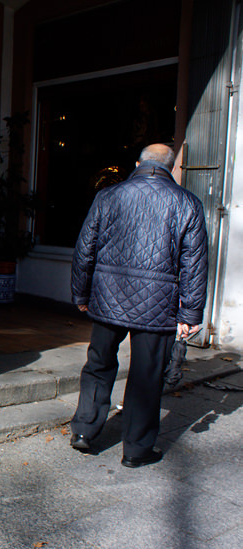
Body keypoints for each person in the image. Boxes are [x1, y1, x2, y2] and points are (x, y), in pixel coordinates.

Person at [70, 143, 208, 468]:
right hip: (158, 305)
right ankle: (136, 449)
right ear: (172, 168)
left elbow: (84, 249)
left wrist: (81, 294)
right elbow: (194, 264)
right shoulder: (187, 203)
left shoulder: (108, 196)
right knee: (147, 375)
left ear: (138, 163)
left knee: (99, 364)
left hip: (107, 296)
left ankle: (84, 431)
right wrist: (190, 313)